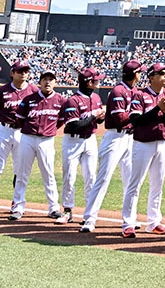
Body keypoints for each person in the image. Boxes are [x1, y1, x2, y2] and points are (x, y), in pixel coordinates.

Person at [80, 59, 142, 233]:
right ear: (134, 74)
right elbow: (120, 119)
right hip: (115, 137)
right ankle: (89, 219)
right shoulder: (118, 90)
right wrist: (139, 115)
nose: (140, 75)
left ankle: (130, 219)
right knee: (103, 179)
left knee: (131, 181)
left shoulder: (135, 91)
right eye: (139, 72)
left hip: (130, 138)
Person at [121, 62, 165, 238]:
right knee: (135, 184)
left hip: (162, 143)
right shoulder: (140, 95)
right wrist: (158, 109)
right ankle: (128, 223)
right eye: (162, 73)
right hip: (143, 143)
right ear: (151, 77)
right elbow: (136, 121)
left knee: (157, 185)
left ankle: (153, 222)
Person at [0, 61, 37, 217]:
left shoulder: (33, 90)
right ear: (12, 73)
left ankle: (16, 202)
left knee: (20, 170)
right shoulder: (2, 91)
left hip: (23, 132)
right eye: (20, 70)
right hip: (4, 130)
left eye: (26, 70)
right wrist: (1, 125)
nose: (23, 73)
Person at [10, 70, 65, 221]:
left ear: (55, 82)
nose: (48, 82)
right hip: (27, 138)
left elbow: (61, 120)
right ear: (39, 82)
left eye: (51, 80)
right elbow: (20, 119)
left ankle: (53, 208)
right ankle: (18, 207)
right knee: (22, 174)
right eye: (45, 79)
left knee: (48, 174)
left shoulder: (60, 100)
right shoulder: (29, 99)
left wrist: (51, 129)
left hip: (46, 140)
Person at [56, 67, 105, 225]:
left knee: (91, 177)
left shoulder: (96, 97)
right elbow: (72, 126)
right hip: (73, 141)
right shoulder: (73, 101)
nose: (99, 81)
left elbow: (98, 122)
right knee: (69, 177)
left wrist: (99, 118)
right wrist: (93, 116)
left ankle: (89, 214)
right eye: (96, 79)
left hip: (90, 139)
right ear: (89, 82)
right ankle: (67, 211)